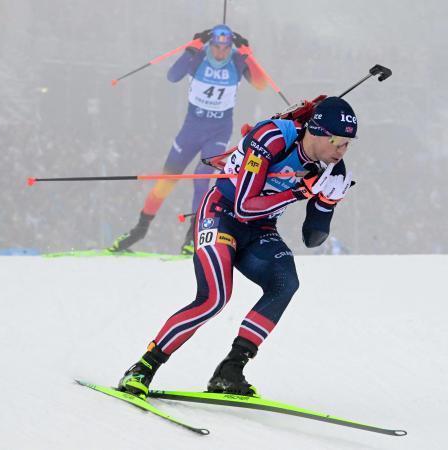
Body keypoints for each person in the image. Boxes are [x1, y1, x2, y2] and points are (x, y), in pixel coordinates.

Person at [117, 96, 357, 397]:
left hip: (261, 227)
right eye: (338, 143)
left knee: (286, 283)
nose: (343, 151)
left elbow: (313, 238)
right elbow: (244, 206)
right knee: (214, 298)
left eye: (348, 144)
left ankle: (230, 370)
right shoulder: (271, 136)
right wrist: (298, 192)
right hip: (222, 214)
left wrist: (327, 204)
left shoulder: (334, 168)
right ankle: (143, 367)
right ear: (319, 132)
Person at [109, 24, 267, 255]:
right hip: (191, 129)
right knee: (167, 179)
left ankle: (193, 237)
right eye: (216, 47)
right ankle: (139, 230)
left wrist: (248, 55)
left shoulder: (237, 60)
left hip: (218, 131)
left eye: (225, 47)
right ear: (210, 44)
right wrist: (191, 49)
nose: (221, 52)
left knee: (202, 178)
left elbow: (261, 84)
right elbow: (172, 76)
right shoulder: (199, 57)